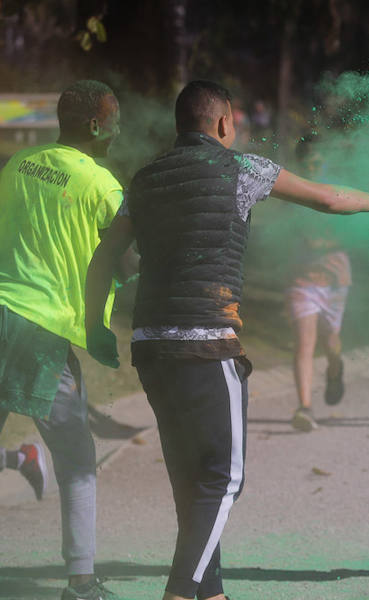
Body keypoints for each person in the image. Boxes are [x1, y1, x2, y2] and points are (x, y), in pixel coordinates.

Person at [84, 80, 369, 600]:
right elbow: (328, 199)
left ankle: (210, 592)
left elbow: (103, 260)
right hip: (207, 344)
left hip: (150, 346)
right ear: (225, 124)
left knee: (192, 480)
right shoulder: (243, 169)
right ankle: (181, 593)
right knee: (223, 480)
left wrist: (96, 327)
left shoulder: (144, 179)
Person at [0, 79, 125, 600]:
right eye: (115, 120)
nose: (118, 132)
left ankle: (22, 458)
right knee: (76, 457)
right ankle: (81, 581)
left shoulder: (16, 167)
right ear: (96, 125)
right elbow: (127, 258)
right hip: (41, 332)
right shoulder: (102, 186)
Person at [287, 233, 352, 432]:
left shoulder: (340, 216)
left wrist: (323, 242)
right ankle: (305, 407)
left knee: (331, 343)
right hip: (303, 283)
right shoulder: (295, 208)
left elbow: (353, 236)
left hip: (335, 282)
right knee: (304, 344)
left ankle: (335, 367)